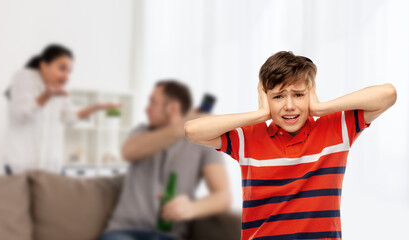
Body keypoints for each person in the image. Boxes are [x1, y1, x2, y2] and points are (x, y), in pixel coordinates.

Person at [185, 51, 397, 240]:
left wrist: (321, 108)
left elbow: (388, 94)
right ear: (266, 98)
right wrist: (259, 114)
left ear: (310, 93)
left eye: (298, 95)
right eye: (278, 96)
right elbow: (192, 131)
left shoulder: (336, 130)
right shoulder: (248, 138)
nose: (289, 106)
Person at [99, 80, 231, 240]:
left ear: (172, 108)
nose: (146, 109)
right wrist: (183, 128)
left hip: (169, 235)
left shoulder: (203, 143)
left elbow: (224, 196)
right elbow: (128, 152)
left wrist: (192, 208)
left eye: (153, 102)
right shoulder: (141, 132)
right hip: (123, 231)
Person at [4, 44, 120, 174]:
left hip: (51, 166)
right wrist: (47, 96)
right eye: (62, 68)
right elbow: (22, 115)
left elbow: (68, 118)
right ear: (43, 66)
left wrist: (95, 107)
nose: (66, 76)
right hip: (21, 167)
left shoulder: (59, 88)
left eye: (69, 71)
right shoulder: (24, 77)